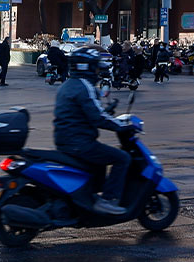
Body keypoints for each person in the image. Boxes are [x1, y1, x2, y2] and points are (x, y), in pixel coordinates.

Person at [53, 47, 135, 215]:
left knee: (100, 161)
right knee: (122, 158)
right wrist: (122, 126)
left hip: (65, 140)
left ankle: (90, 197)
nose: (98, 71)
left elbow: (84, 113)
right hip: (80, 142)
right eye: (95, 67)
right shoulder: (85, 86)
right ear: (86, 67)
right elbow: (98, 118)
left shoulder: (67, 85)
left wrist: (107, 112)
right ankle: (109, 200)